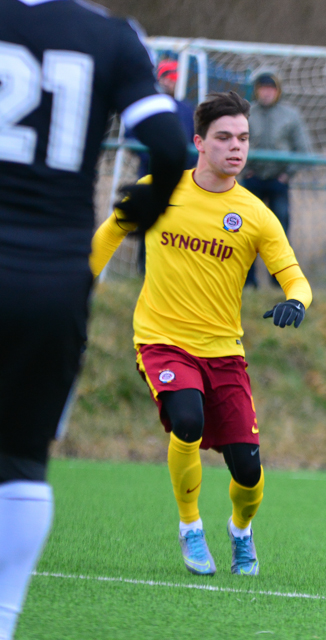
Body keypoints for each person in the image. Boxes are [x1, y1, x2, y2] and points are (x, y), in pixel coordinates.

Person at [0, 1, 188, 637]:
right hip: (52, 279)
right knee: (21, 459)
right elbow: (169, 145)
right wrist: (144, 211)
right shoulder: (111, 36)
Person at [90, 91, 312, 578]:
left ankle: (240, 532)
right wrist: (75, 288)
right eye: (225, 137)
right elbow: (108, 235)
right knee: (186, 421)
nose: (236, 147)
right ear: (199, 142)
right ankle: (190, 526)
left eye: (244, 138)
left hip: (224, 351)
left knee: (248, 471)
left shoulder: (256, 214)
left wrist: (297, 301)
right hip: (162, 339)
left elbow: (295, 277)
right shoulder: (158, 190)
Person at [242, 71, 312, 287]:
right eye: (262, 88)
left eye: (271, 88)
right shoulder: (247, 113)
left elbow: (304, 150)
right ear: (256, 90)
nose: (266, 93)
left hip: (278, 182)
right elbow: (235, 143)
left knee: (279, 234)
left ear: (278, 91)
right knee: (247, 232)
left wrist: (287, 174)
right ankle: (248, 281)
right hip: (252, 180)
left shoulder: (291, 115)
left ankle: (279, 281)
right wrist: (245, 169)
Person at [127, 58, 197, 272]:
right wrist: (154, 158)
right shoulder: (146, 106)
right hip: (149, 174)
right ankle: (144, 267)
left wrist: (183, 166)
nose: (169, 82)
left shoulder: (187, 110)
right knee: (150, 218)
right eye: (165, 76)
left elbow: (194, 142)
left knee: (178, 223)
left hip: (181, 179)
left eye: (173, 77)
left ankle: (174, 267)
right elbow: (131, 137)